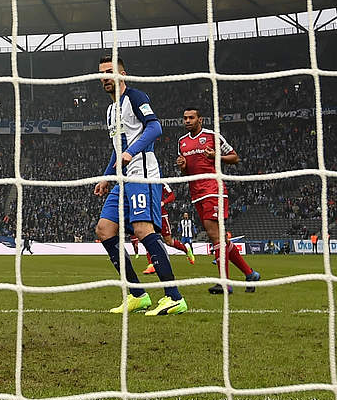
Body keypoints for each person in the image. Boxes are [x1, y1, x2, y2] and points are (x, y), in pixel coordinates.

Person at [93, 55, 186, 316]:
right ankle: (137, 294)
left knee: (143, 230)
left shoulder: (136, 97)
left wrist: (131, 152)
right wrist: (105, 176)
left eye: (110, 71)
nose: (105, 77)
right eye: (102, 73)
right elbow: (117, 149)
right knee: (104, 229)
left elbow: (155, 128)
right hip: (123, 178)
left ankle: (174, 296)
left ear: (122, 74)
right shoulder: (111, 110)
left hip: (142, 174)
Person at [177, 108, 260, 294]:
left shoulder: (212, 136)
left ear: (200, 119)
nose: (188, 121)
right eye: (185, 118)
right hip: (195, 192)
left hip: (213, 190)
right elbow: (186, 171)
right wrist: (183, 167)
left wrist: (217, 157)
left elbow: (235, 157)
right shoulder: (181, 142)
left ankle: (225, 283)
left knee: (215, 236)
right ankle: (250, 274)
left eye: (191, 118)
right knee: (219, 238)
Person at [136, 183, 196, 275]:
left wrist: (163, 202)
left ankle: (186, 248)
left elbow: (172, 196)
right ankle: (151, 264)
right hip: (149, 215)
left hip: (162, 216)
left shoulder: (160, 183)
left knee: (168, 241)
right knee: (148, 238)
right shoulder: (142, 183)